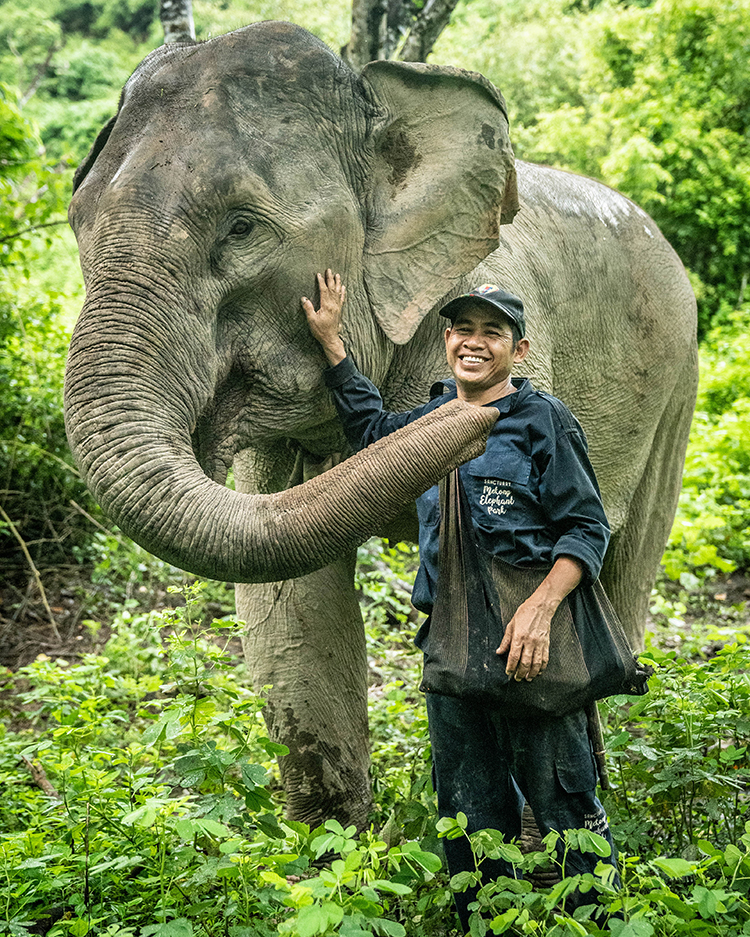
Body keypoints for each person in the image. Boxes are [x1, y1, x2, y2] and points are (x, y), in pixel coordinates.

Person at [302, 269, 619, 932]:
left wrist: (539, 608)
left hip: (536, 649)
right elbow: (373, 433)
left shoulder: (544, 422)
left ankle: (598, 922)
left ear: (519, 349)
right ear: (447, 341)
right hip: (451, 645)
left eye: (492, 332)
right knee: (469, 815)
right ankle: (483, 920)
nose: (475, 342)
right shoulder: (435, 420)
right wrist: (332, 345)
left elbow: (587, 526)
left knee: (566, 810)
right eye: (463, 330)